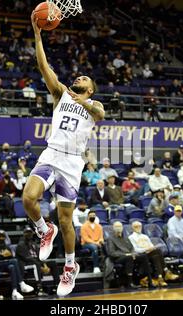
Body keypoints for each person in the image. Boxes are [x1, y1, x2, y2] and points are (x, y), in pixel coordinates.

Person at [22, 13, 105, 297]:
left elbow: (102, 114)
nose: (78, 77)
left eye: (84, 78)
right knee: (28, 198)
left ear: (90, 89)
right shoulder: (61, 94)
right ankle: (44, 230)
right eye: (78, 76)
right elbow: (44, 67)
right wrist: (38, 35)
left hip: (72, 162)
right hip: (51, 154)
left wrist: (87, 103)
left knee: (66, 221)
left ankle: (70, 267)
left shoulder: (93, 105)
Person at [128, 221, 178, 286]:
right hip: (141, 255)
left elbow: (151, 245)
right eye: (136, 226)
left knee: (156, 255)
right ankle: (166, 272)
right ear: (132, 228)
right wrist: (146, 249)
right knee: (157, 252)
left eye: (139, 226)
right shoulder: (131, 237)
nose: (138, 228)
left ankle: (160, 278)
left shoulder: (145, 236)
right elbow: (135, 250)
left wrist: (152, 248)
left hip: (150, 254)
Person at [0, 230, 34, 300]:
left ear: (5, 237)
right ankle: (21, 283)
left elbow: (12, 257)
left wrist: (8, 255)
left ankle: (14, 291)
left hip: (6, 265)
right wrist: (2, 255)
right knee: (14, 261)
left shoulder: (7, 246)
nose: (1, 238)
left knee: (12, 267)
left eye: (3, 236)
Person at [106, 222, 153, 288]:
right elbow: (111, 252)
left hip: (129, 255)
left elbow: (132, 248)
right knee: (129, 257)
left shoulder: (126, 238)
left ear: (122, 228)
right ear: (113, 228)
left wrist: (133, 253)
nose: (118, 228)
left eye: (120, 226)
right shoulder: (110, 239)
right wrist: (126, 254)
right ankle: (130, 283)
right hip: (118, 258)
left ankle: (150, 281)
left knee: (143, 256)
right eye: (116, 226)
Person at [16, 227, 60, 296]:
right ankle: (39, 289)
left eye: (30, 232)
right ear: (24, 234)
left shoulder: (34, 244)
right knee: (36, 265)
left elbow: (39, 256)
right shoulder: (20, 245)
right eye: (27, 233)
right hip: (25, 265)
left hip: (36, 263)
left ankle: (56, 286)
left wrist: (44, 265)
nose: (29, 234)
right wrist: (40, 266)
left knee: (53, 263)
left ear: (33, 233)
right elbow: (27, 258)